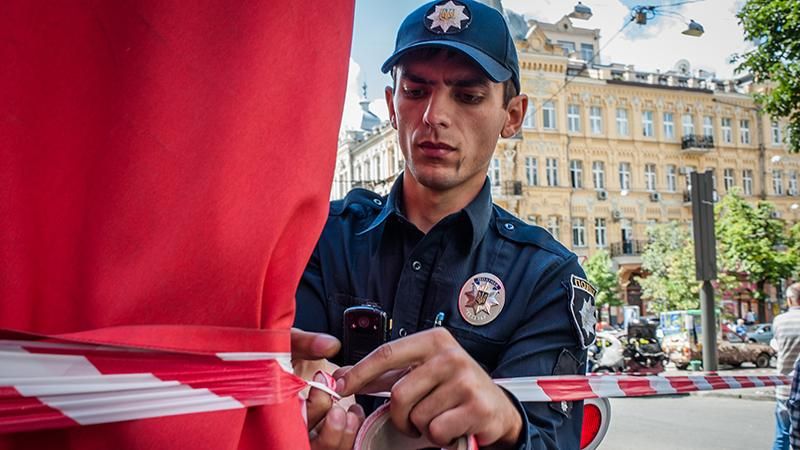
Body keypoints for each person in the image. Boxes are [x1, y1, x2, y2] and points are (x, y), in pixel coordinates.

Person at [295, 1, 596, 448]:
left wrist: (506, 426)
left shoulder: (547, 278)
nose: (435, 115)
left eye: (468, 96)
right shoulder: (320, 238)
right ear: (391, 107)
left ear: (511, 116)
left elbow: (553, 437)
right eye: (416, 92)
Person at [771, 282, 800, 450]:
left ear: (790, 300)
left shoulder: (779, 321)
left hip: (784, 387)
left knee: (782, 435)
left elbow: (778, 345)